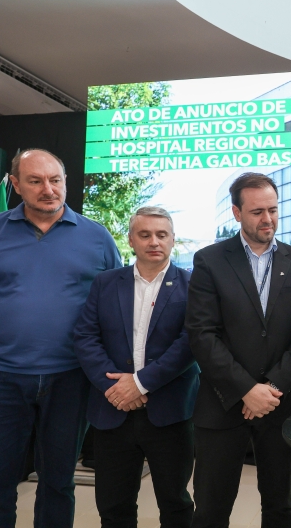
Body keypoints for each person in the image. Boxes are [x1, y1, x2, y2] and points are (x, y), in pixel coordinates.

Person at [0, 149, 122, 527]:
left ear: (65, 181)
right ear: (15, 185)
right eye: (35, 181)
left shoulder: (97, 237)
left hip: (71, 378)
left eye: (55, 180)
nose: (48, 189)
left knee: (58, 484)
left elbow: (115, 307)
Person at [186, 172, 291, 528]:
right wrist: (246, 389)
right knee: (211, 509)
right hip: (222, 403)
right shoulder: (210, 261)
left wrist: (271, 388)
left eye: (273, 210)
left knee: (280, 506)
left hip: (280, 404)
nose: (268, 219)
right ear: (236, 213)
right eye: (258, 211)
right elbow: (202, 334)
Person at [73, 206, 198, 527]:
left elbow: (190, 343)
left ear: (173, 240)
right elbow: (85, 336)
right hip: (113, 409)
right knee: (113, 507)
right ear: (131, 240)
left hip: (169, 412)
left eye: (161, 235)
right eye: (144, 235)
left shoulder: (193, 285)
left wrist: (140, 384)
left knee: (175, 504)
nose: (153, 241)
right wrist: (114, 387)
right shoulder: (105, 283)